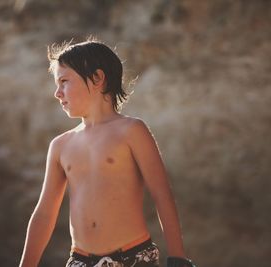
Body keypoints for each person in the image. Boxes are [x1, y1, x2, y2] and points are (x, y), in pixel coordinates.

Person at [19, 37, 196, 267]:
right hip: (80, 261)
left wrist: (178, 258)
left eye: (63, 81)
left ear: (97, 78)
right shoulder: (60, 145)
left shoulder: (132, 131)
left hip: (134, 257)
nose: (57, 93)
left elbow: (162, 195)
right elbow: (44, 215)